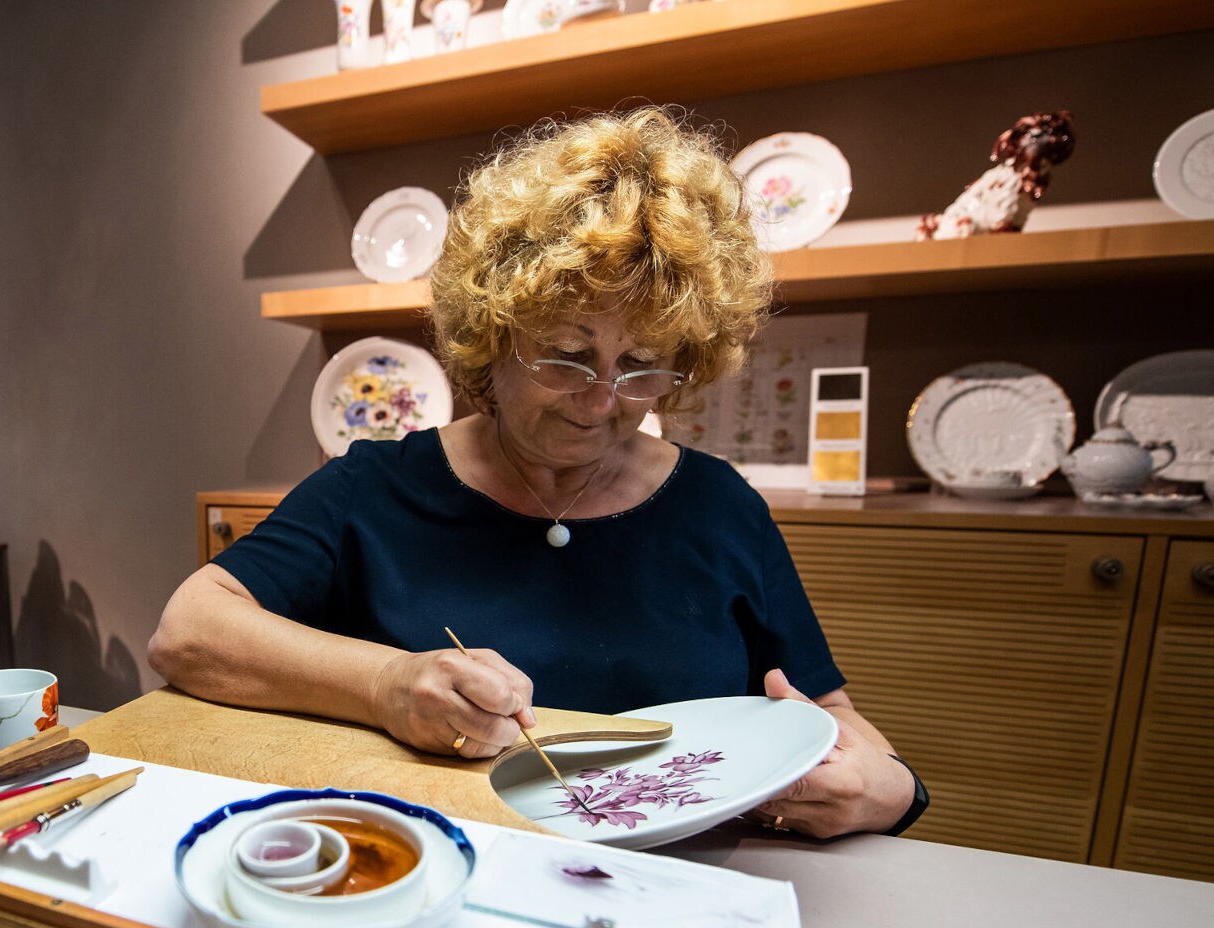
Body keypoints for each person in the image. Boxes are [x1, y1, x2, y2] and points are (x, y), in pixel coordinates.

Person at [149, 109, 925, 839]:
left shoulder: (719, 506)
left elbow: (826, 711)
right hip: (438, 879)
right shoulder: (376, 488)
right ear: (493, 335)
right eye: (567, 354)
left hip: (685, 901)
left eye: (644, 366)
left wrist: (886, 790)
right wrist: (388, 684)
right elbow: (189, 631)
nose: (601, 400)